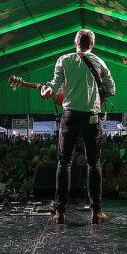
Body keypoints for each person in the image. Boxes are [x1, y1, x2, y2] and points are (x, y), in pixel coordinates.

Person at [41, 29, 115, 224]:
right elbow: (112, 89)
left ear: (75, 43)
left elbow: (53, 88)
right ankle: (97, 211)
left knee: (64, 162)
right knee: (93, 163)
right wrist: (97, 94)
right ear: (92, 44)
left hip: (70, 116)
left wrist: (45, 92)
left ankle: (60, 212)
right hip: (92, 117)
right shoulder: (99, 62)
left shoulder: (63, 60)